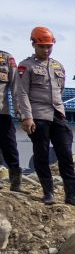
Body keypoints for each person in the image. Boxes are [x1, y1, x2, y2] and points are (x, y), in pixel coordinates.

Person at [13, 26, 75, 207]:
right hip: (37, 116)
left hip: (58, 114)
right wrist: (27, 117)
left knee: (65, 154)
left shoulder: (58, 66)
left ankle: (71, 195)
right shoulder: (26, 66)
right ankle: (48, 193)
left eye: (49, 46)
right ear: (34, 44)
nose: (46, 50)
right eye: (42, 46)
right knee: (41, 153)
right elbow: (22, 93)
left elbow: (60, 90)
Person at [0, 47, 20, 191]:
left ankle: (16, 183)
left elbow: (16, 86)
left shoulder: (6, 58)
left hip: (2, 113)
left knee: (10, 147)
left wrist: (19, 109)